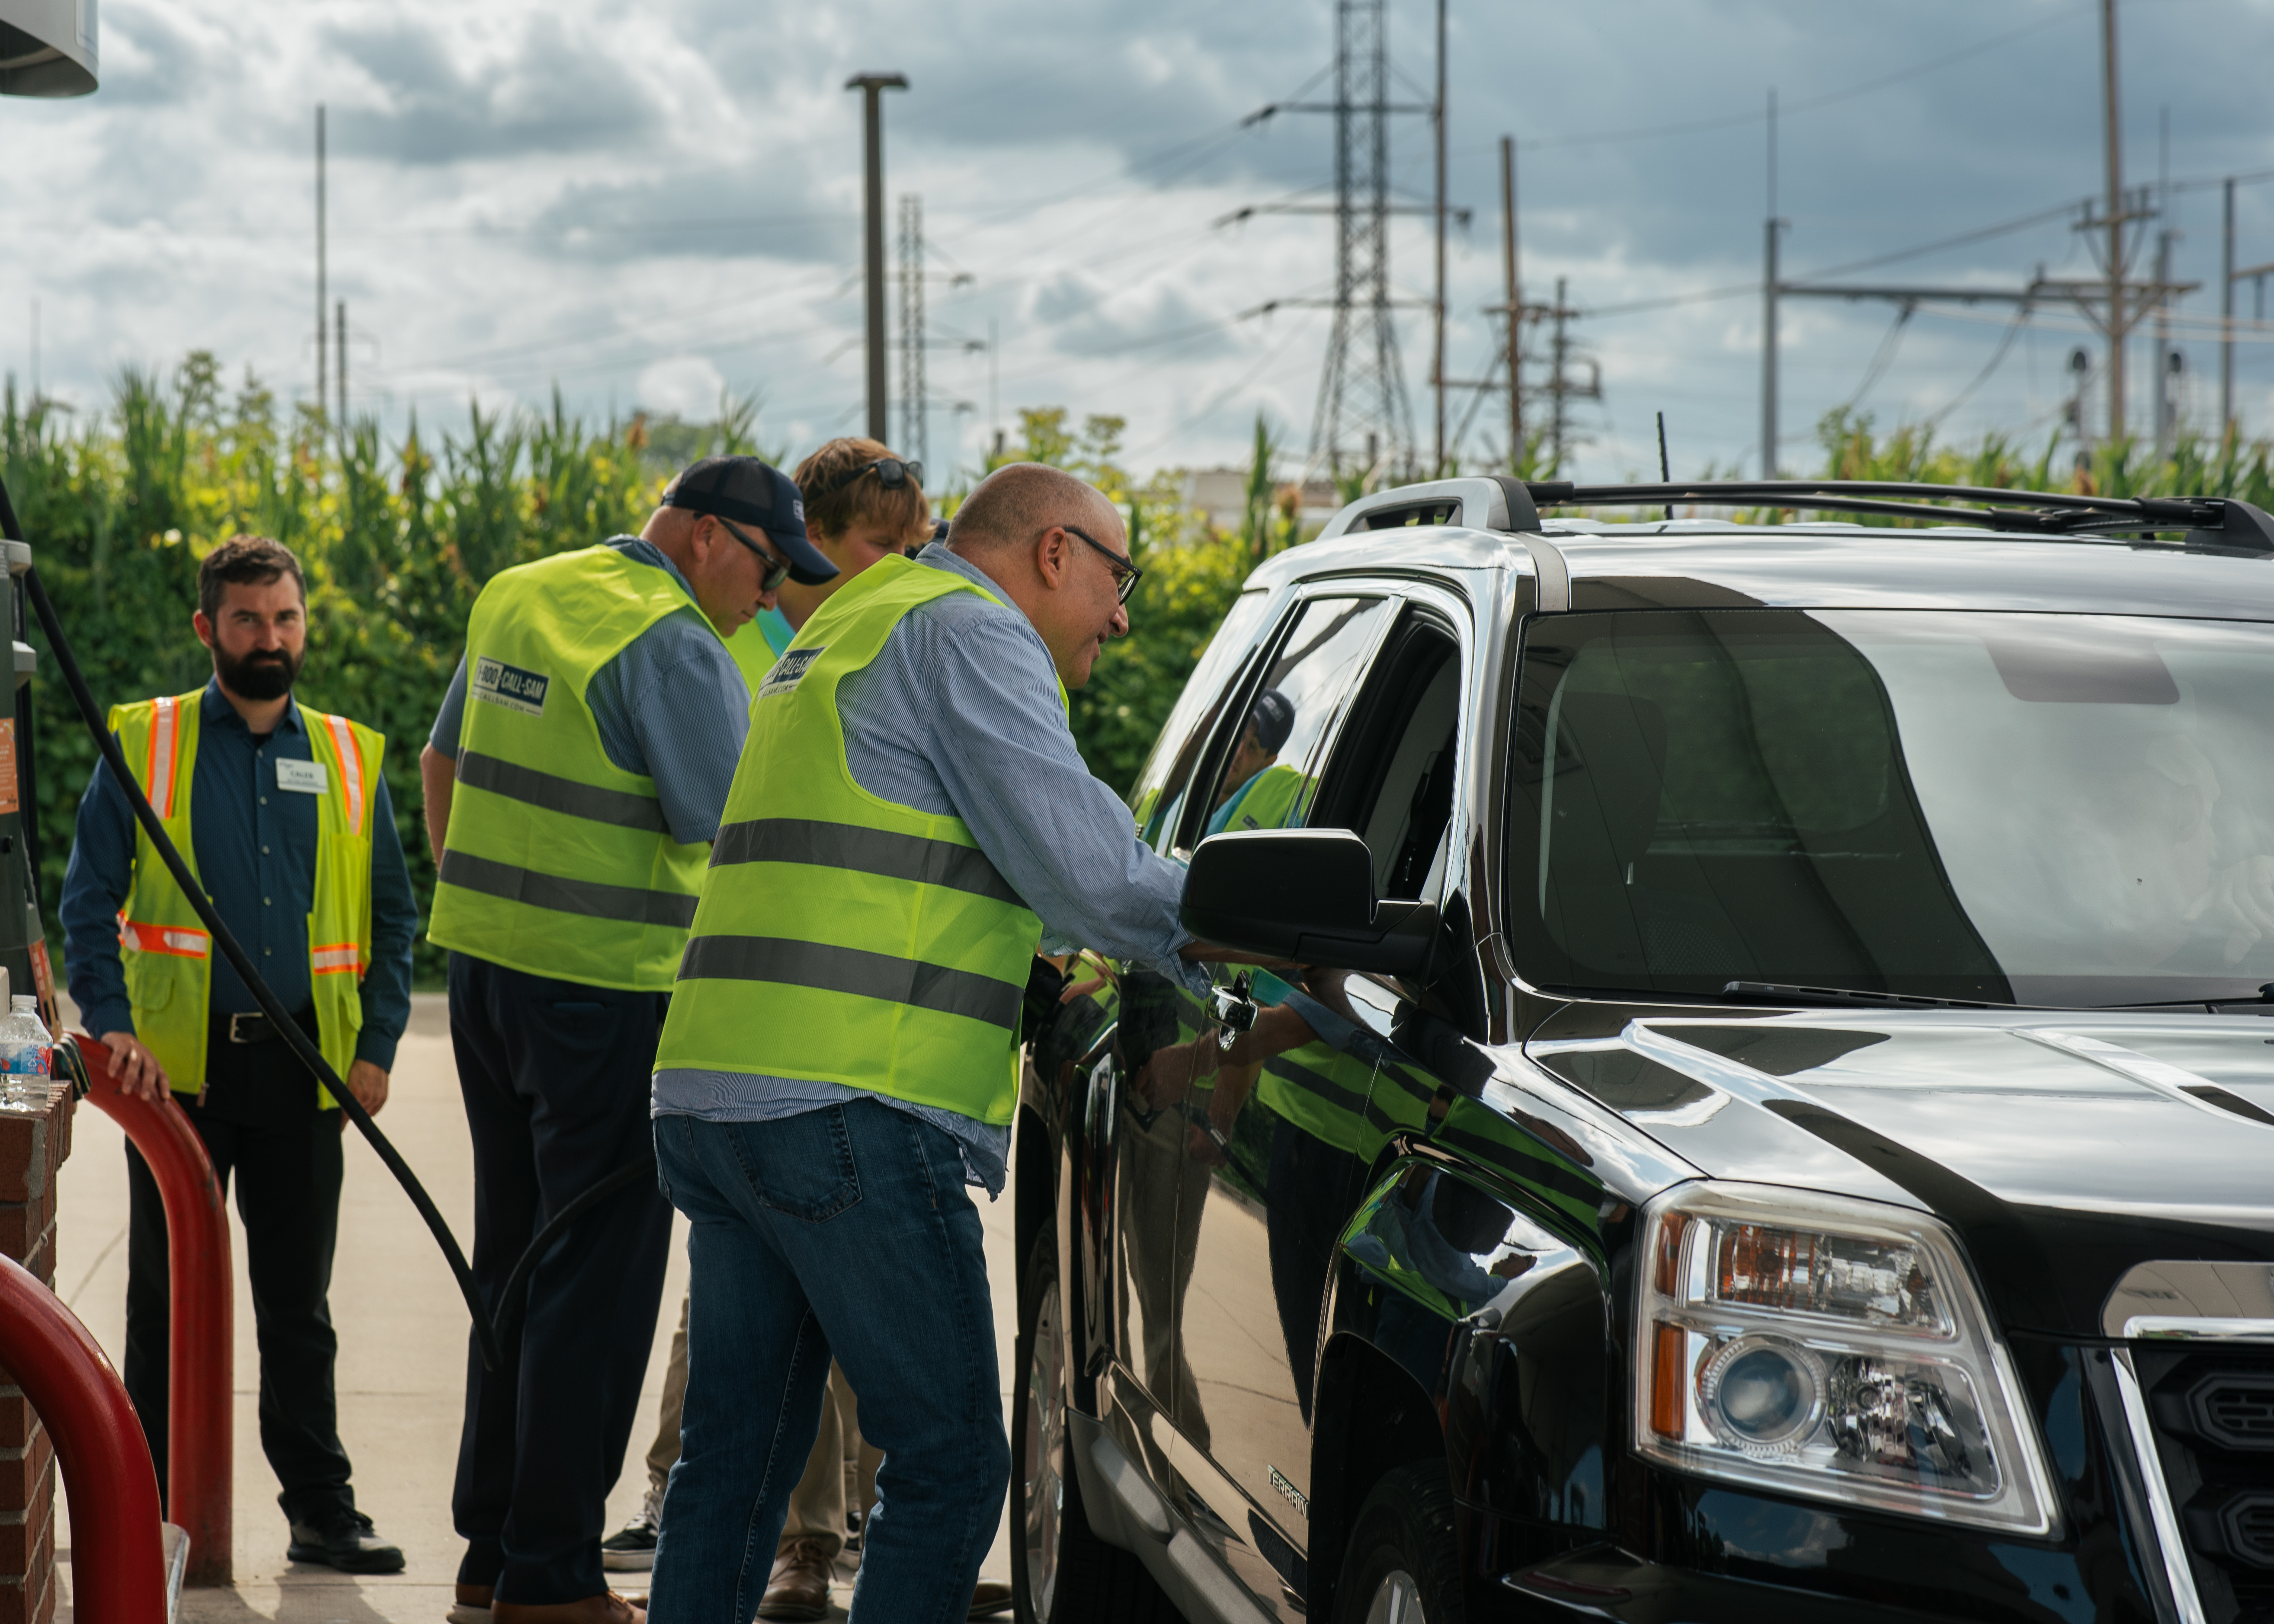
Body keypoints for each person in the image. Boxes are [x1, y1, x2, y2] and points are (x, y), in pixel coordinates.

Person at [644, 463, 1214, 1621]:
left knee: (734, 1467)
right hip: (845, 1106)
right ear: (1054, 552)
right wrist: (1247, 936)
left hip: (721, 1099)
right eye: (1119, 576)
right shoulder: (970, 634)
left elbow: (923, 842)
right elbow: (1093, 872)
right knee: (952, 1462)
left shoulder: (861, 614)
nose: (1121, 613)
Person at [421, 457, 836, 1624]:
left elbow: (439, 762)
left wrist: (490, 911)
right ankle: (552, 1577)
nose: (765, 600)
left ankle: (492, 1550)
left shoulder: (522, 588)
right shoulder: (671, 644)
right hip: (602, 999)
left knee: (513, 1264)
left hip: (487, 984)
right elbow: (743, 838)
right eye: (765, 570)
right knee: (594, 1290)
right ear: (707, 534)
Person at [605, 437, 1009, 1621]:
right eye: (882, 543)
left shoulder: (803, 647)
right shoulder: (895, 633)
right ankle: (811, 1550)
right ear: (811, 537)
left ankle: (809, 1546)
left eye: (912, 542)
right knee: (944, 1453)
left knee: (739, 1446)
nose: (904, 562)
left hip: (723, 1074)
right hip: (834, 1083)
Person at [61, 535, 417, 1573]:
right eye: (250, 619)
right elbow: (91, 901)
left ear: (307, 622)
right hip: (177, 1077)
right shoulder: (151, 740)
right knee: (165, 1300)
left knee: (297, 1305)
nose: (272, 638)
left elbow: (392, 919)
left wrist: (379, 1043)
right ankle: (154, 1516)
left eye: (287, 617)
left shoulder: (350, 756)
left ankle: (320, 1508)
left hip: (308, 1072)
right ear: (206, 627)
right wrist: (114, 1021)